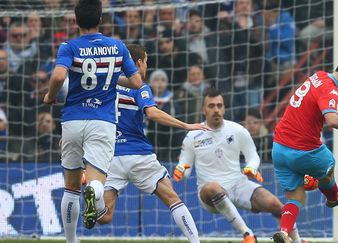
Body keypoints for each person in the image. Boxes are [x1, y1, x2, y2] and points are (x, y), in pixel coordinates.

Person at [42, 0, 142, 242]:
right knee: (96, 180)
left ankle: (70, 240)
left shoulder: (69, 46)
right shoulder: (117, 46)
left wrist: (50, 96)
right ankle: (95, 191)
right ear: (101, 19)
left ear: (75, 21)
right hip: (103, 122)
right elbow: (137, 83)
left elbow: (58, 75)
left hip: (73, 121)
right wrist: (108, 78)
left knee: (71, 186)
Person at [95, 44, 208, 243]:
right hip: (138, 154)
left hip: (110, 156)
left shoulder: (105, 86)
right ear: (138, 63)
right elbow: (152, 112)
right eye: (146, 62)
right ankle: (195, 241)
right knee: (172, 198)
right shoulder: (139, 86)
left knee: (104, 217)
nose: (146, 66)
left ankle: (94, 197)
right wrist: (185, 125)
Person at [271, 55, 338, 243]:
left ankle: (284, 232)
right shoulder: (331, 91)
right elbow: (331, 120)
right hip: (303, 150)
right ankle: (334, 197)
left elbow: (314, 107)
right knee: (329, 162)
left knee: (295, 196)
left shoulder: (318, 75)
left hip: (279, 148)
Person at [173, 89, 307, 243]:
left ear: (224, 108)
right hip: (209, 193)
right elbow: (185, 166)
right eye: (211, 106)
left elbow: (253, 156)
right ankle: (247, 234)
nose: (216, 110)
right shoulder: (193, 136)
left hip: (238, 184)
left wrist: (251, 167)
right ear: (204, 109)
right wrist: (181, 171)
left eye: (219, 105)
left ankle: (297, 240)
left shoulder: (237, 130)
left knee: (275, 204)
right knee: (212, 187)